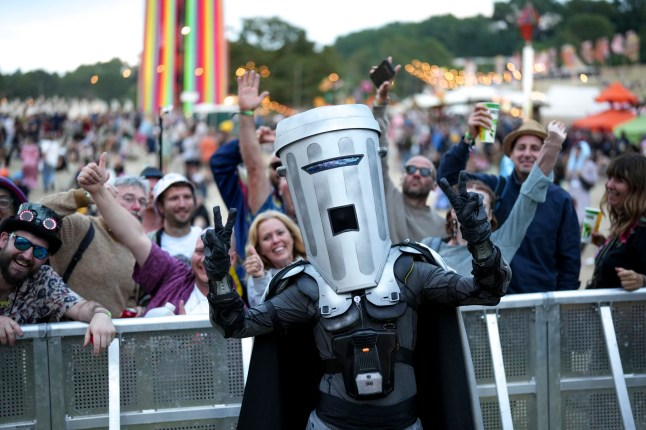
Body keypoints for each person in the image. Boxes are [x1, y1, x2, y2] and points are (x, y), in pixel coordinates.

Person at [204, 104, 511, 430]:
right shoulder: (307, 285)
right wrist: (220, 277)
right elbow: (236, 325)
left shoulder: (409, 269)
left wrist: (479, 241)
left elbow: (487, 290)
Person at [438, 107, 581, 293]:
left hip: (542, 299)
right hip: (497, 299)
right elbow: (448, 179)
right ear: (511, 155)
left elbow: (569, 259)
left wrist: (563, 301)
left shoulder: (560, 199)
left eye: (535, 148)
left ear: (545, 153)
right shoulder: (496, 188)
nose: (527, 153)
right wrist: (468, 138)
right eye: (521, 148)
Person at [77, 153, 237, 316]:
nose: (205, 258)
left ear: (232, 259)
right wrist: (98, 192)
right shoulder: (175, 276)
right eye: (199, 251)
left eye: (215, 253)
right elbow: (134, 236)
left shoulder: (236, 305)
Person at [424, 120, 567, 275]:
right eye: (465, 203)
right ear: (453, 211)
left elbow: (530, 193)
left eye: (480, 206)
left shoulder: (500, 244)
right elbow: (448, 178)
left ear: (491, 214)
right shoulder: (430, 248)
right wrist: (469, 136)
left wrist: (553, 144)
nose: (472, 210)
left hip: (531, 291)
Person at [209, 70, 294, 302]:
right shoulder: (253, 202)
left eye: (288, 166)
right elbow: (251, 168)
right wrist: (249, 130)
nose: (281, 171)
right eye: (276, 165)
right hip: (259, 292)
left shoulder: (311, 205)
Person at [0, 202, 116, 354]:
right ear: (3, 240)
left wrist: (102, 314)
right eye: (21, 243)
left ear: (46, 257)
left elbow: (81, 307)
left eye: (39, 252)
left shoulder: (42, 279)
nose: (27, 255)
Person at [38, 175, 149, 317]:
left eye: (143, 201)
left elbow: (127, 296)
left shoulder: (140, 249)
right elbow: (37, 211)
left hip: (113, 337)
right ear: (108, 199)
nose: (137, 207)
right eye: (128, 199)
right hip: (68, 336)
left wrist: (136, 308)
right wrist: (88, 195)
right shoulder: (81, 226)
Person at [371, 58, 445, 242]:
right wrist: (380, 103)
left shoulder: (443, 228)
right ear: (403, 176)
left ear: (435, 185)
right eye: (411, 169)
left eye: (425, 171)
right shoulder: (389, 197)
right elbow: (377, 151)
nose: (417, 174)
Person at [587, 152, 646, 291]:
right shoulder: (626, 220)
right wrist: (605, 245)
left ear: (638, 188)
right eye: (609, 178)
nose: (609, 185)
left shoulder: (642, 229)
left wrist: (642, 280)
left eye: (619, 180)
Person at [243, 210, 306, 307]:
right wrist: (260, 279)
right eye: (266, 238)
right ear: (260, 249)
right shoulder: (255, 281)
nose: (275, 240)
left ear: (292, 236)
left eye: (280, 233)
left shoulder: (313, 262)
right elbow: (264, 315)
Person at [147, 172, 202, 263]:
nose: (182, 204)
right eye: (174, 198)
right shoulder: (149, 244)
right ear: (160, 206)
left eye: (187, 197)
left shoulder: (208, 240)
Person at [139, 165, 164, 233]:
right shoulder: (130, 227)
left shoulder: (171, 226)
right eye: (148, 189)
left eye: (156, 189)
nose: (152, 194)